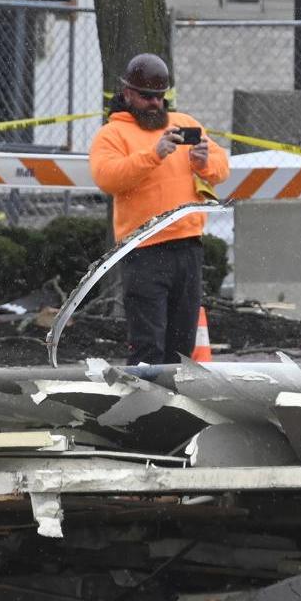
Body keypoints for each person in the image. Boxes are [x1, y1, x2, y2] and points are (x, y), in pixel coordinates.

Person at [89, 53, 230, 366]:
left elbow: (222, 168)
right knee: (148, 345)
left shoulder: (185, 124)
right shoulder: (113, 134)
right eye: (146, 97)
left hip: (188, 247)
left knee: (181, 345)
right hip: (144, 251)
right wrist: (152, 155)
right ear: (126, 94)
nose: (154, 103)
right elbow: (108, 177)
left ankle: (174, 408)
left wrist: (205, 162)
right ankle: (142, 411)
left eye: (159, 96)